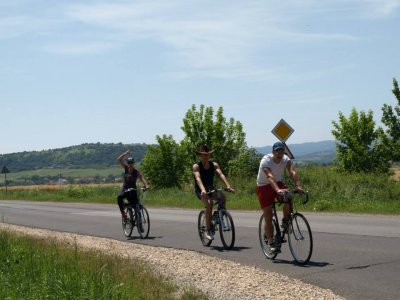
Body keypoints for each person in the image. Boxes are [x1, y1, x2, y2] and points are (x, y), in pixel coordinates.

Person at [256, 141, 304, 253]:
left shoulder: (285, 159)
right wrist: (277, 189)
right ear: (273, 151)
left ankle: (285, 221)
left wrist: (298, 186)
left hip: (278, 182)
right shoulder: (266, 160)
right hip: (263, 186)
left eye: (282, 151)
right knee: (268, 214)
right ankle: (271, 242)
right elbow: (269, 176)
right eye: (277, 151)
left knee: (289, 197)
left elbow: (292, 172)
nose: (280, 154)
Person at [192, 144, 235, 240]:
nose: (206, 156)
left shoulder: (214, 165)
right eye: (204, 154)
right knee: (209, 203)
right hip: (200, 190)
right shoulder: (196, 166)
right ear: (200, 155)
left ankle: (216, 216)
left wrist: (228, 186)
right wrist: (202, 189)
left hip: (211, 188)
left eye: (207, 154)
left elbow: (221, 175)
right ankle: (208, 230)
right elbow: (198, 178)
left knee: (223, 198)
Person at [116, 151, 149, 230]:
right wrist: (125, 154)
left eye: (132, 163)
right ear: (127, 163)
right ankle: (123, 214)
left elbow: (142, 178)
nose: (130, 164)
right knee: (119, 197)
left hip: (133, 191)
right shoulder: (126, 168)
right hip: (125, 189)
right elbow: (119, 160)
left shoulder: (136, 171)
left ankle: (140, 226)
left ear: (134, 164)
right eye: (129, 163)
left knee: (137, 207)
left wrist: (146, 185)